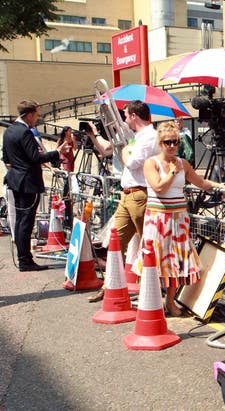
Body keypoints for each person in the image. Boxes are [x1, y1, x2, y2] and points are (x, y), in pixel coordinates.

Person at [131, 121, 225, 316]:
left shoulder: (183, 163)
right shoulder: (152, 163)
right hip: (157, 218)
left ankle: (170, 302)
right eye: (167, 142)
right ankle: (152, 299)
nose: (172, 146)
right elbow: (159, 187)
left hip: (178, 218)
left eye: (175, 141)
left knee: (176, 260)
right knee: (155, 259)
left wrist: (220, 185)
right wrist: (172, 172)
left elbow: (200, 182)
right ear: (160, 142)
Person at [88, 100, 158, 302]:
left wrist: (125, 150)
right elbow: (112, 152)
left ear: (134, 116)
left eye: (126, 115)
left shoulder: (149, 137)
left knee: (148, 244)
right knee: (115, 242)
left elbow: (132, 162)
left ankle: (151, 291)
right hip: (128, 194)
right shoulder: (137, 137)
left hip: (140, 194)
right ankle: (109, 285)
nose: (125, 119)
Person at [2, 100, 68, 272]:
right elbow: (35, 158)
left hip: (16, 179)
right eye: (36, 115)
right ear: (29, 114)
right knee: (26, 221)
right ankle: (25, 260)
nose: (37, 118)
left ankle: (23, 257)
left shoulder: (9, 131)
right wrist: (56, 153)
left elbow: (6, 158)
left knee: (20, 221)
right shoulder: (25, 132)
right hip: (27, 182)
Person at [56, 126, 76, 229]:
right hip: (65, 158)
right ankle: (66, 193)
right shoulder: (62, 139)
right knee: (67, 175)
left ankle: (69, 190)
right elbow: (58, 149)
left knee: (71, 174)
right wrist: (66, 145)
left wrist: (74, 141)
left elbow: (74, 148)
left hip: (71, 158)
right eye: (69, 131)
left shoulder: (71, 138)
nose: (70, 132)